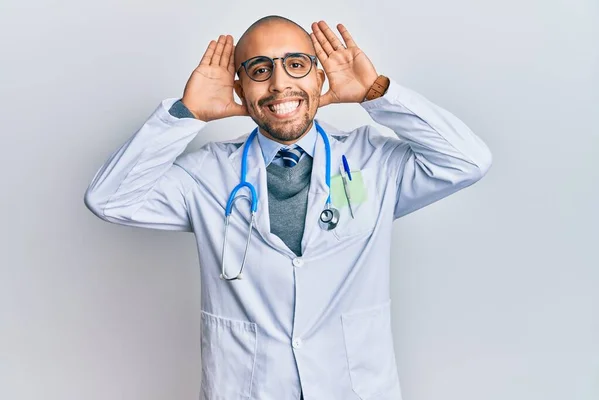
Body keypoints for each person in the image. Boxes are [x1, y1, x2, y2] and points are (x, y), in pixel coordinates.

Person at [84, 15, 492, 400]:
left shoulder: (373, 162)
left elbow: (468, 161)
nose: (280, 84)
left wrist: (378, 94)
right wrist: (184, 117)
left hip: (353, 388)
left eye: (296, 64)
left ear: (320, 75)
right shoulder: (206, 175)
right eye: (260, 70)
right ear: (240, 88)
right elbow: (109, 199)